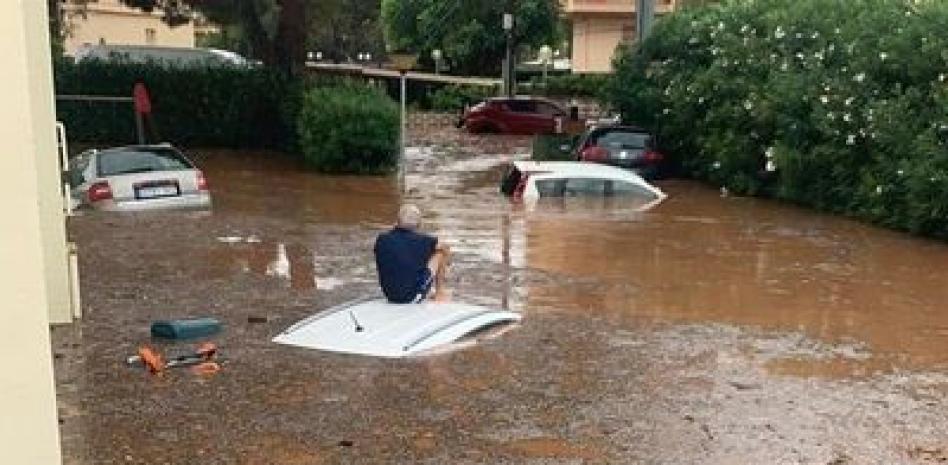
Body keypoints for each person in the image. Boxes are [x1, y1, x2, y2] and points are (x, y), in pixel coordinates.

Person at [374, 204, 450, 303]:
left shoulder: (381, 239)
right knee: (441, 253)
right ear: (419, 225)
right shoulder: (425, 241)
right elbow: (445, 247)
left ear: (397, 221)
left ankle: (423, 289)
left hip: (389, 295)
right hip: (410, 297)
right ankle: (440, 293)